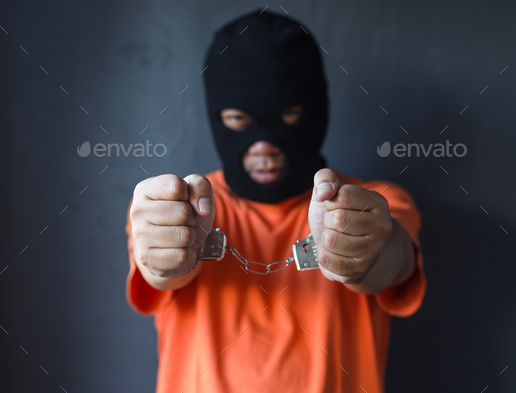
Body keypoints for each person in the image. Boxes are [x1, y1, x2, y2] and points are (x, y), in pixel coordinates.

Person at [126, 9, 425, 393]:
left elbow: (392, 262)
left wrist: (369, 251)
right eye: (238, 119)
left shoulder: (374, 206)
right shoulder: (174, 212)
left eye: (288, 115)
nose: (263, 146)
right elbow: (160, 270)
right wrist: (162, 252)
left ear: (315, 111)